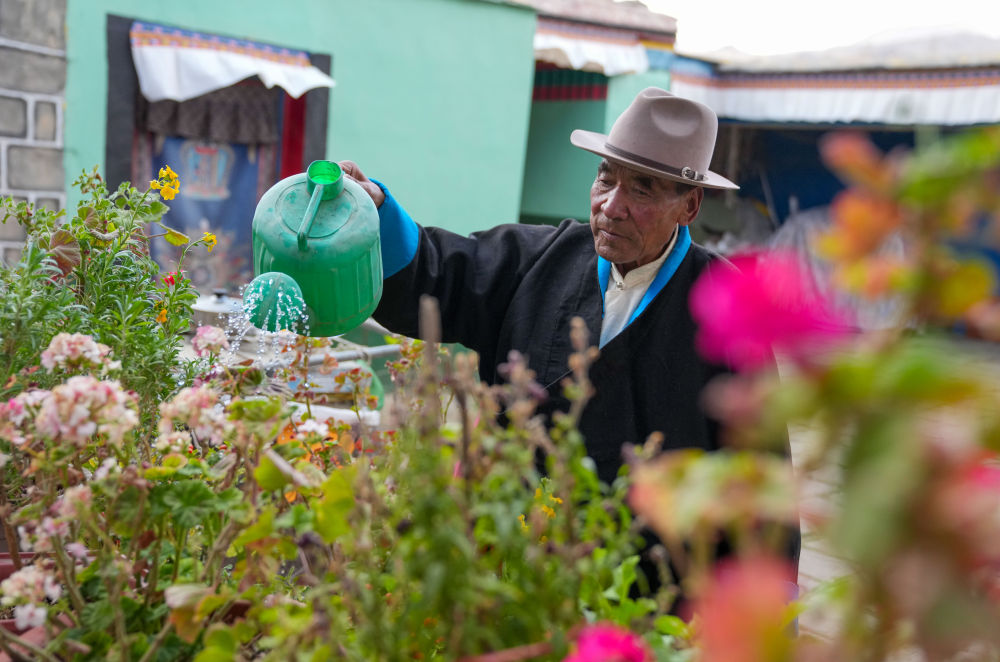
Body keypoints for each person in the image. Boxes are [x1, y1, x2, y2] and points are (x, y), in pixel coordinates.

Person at [341, 87, 799, 596]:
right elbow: (439, 271)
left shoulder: (727, 310)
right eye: (606, 176)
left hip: (646, 599)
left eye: (642, 189)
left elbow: (762, 487)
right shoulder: (540, 258)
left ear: (689, 206)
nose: (611, 205)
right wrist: (374, 211)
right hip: (512, 568)